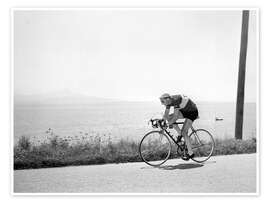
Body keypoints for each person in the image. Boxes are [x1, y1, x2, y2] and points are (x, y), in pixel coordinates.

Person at [159, 93, 199, 159]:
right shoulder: (169, 101)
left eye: (162, 102)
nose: (162, 103)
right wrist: (162, 120)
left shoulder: (175, 100)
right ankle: (180, 135)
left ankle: (190, 153)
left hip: (192, 112)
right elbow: (166, 114)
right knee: (169, 118)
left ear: (167, 99)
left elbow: (175, 117)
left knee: (184, 132)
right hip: (184, 111)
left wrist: (167, 124)